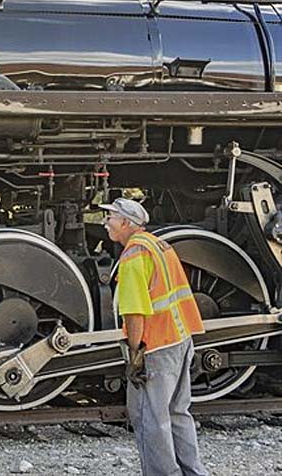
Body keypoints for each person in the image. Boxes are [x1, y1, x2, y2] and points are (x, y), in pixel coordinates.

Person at [102, 197, 208, 476]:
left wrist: (135, 353)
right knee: (178, 413)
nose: (105, 223)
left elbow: (135, 313)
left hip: (156, 346)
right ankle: (193, 472)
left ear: (125, 222)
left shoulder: (134, 257)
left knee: (151, 418)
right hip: (180, 339)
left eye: (110, 217)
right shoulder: (159, 245)